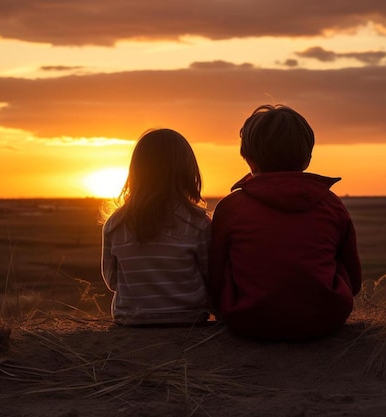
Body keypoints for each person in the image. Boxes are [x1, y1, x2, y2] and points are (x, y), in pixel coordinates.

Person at [209, 104, 362, 341]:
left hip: (248, 321)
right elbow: (354, 279)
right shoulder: (332, 204)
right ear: (307, 157)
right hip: (325, 321)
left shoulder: (231, 207)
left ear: (247, 157)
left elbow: (215, 278)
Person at [101, 128, 211, 326]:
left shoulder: (115, 224)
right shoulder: (198, 223)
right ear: (188, 171)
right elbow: (210, 275)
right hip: (188, 319)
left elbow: (112, 281)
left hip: (132, 319)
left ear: (136, 172)